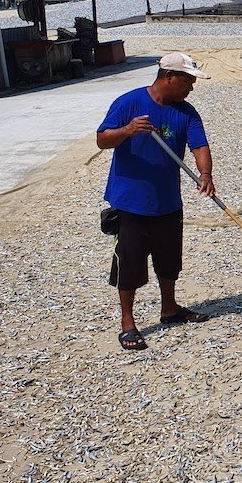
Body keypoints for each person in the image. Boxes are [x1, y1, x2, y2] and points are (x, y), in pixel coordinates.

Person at [96, 52, 216, 351]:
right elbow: (102, 139)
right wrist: (127, 130)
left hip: (167, 201)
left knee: (169, 259)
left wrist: (205, 174)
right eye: (187, 81)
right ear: (168, 77)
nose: (191, 87)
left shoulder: (186, 112)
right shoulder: (129, 103)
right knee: (130, 263)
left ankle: (170, 309)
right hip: (130, 201)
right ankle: (128, 324)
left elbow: (199, 145)